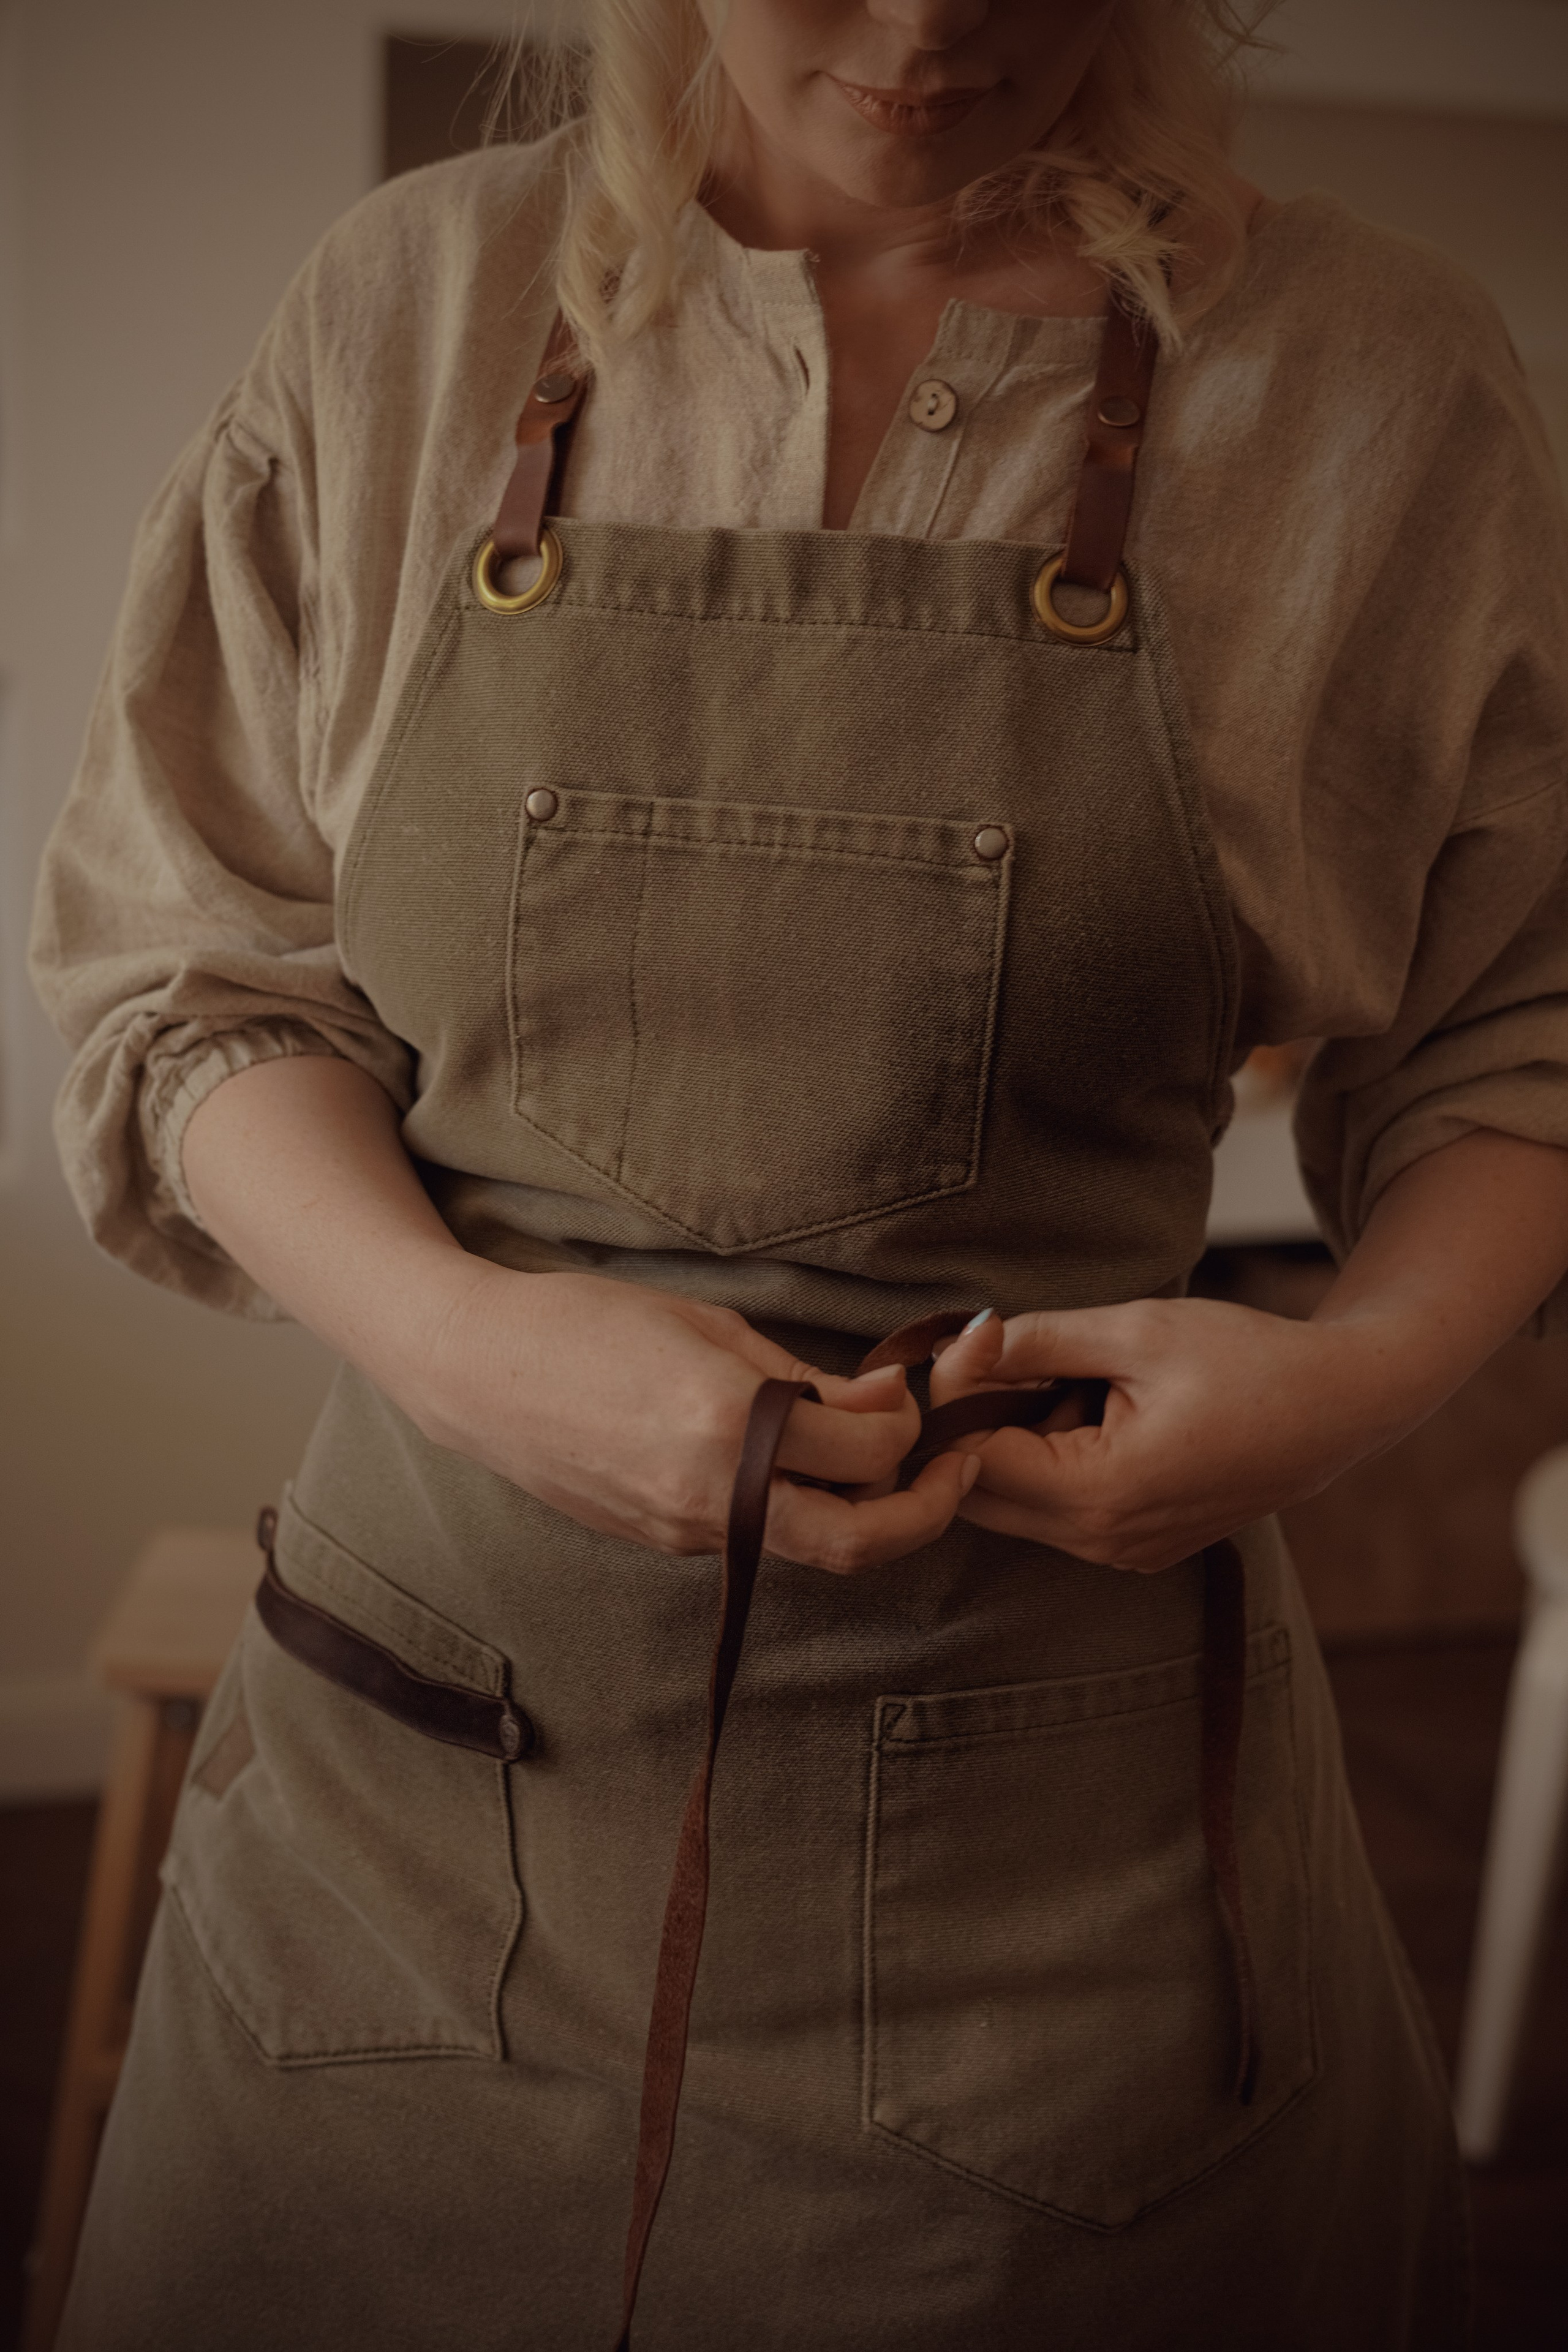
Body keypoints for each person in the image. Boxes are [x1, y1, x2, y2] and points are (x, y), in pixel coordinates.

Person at [31, 0, 1568, 2344]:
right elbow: (180, 962)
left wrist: (1358, 1378)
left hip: (1062, 1922)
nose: (936, 28)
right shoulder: (412, 307)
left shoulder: (1378, 382)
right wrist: (470, 1349)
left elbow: (1518, 1031)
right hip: (402, 1816)